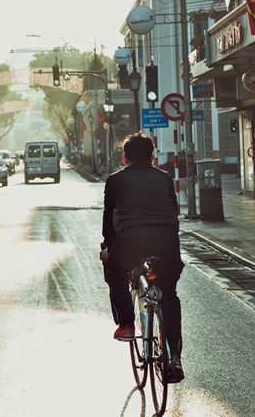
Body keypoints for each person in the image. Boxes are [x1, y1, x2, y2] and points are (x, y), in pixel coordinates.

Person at [100, 132, 185, 383]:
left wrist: (109, 249)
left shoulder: (115, 180)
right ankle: (175, 358)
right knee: (169, 295)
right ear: (152, 157)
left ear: (125, 158)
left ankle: (127, 324)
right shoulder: (165, 178)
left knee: (113, 267)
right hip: (167, 242)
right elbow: (174, 211)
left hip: (131, 242)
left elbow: (109, 220)